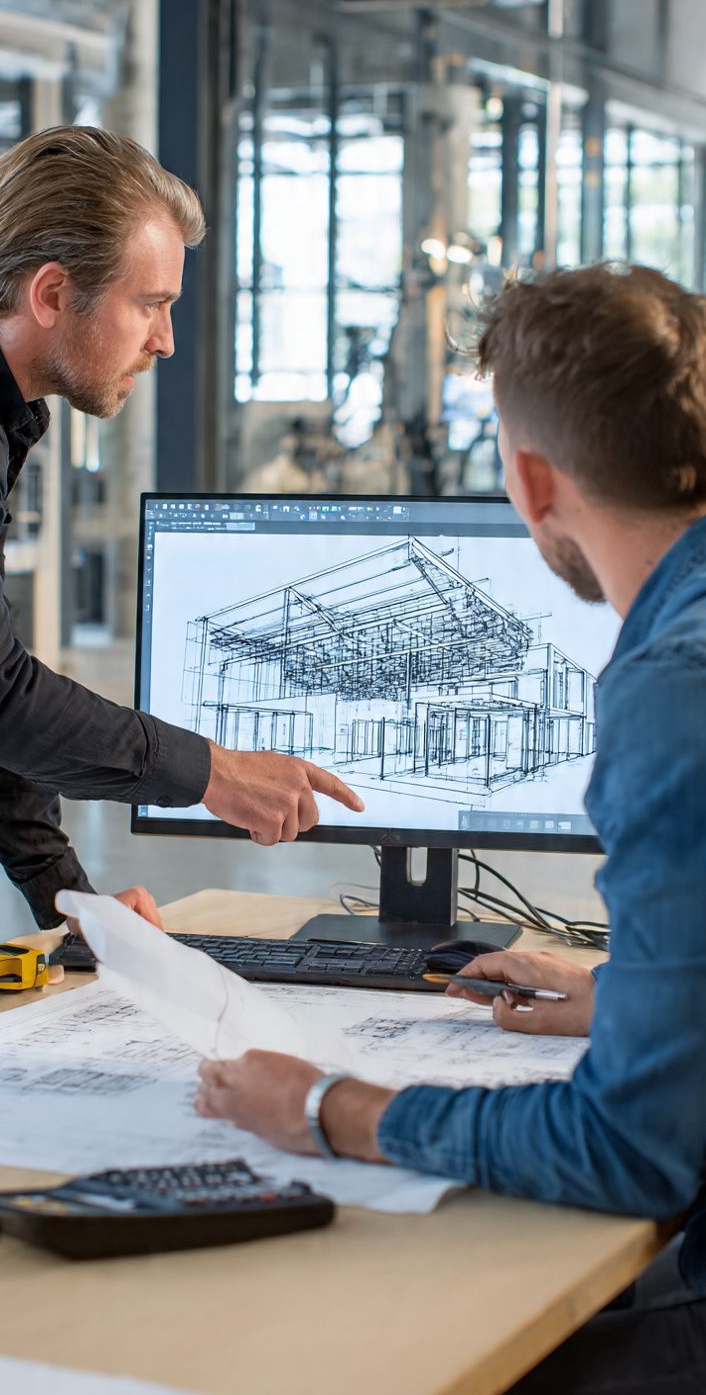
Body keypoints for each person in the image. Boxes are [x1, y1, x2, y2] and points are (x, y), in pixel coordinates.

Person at [195, 263, 706, 1393]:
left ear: (531, 480)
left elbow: (631, 1151)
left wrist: (330, 1107)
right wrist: (628, 998)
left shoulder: (677, 690)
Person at [0, 125, 362, 963]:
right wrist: (214, 771)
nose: (165, 340)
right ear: (51, 294)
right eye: (150, 303)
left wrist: (66, 895)